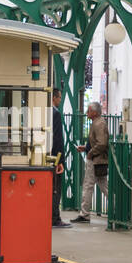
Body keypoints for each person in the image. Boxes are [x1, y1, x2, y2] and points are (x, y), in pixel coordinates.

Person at [72, 102, 109, 223]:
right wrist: (86, 147)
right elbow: (98, 142)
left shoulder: (98, 124)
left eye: (88, 111)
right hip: (97, 159)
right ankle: (117, 209)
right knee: (103, 185)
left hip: (95, 160)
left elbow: (102, 143)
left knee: (88, 186)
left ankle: (85, 214)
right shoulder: (98, 123)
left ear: (94, 112)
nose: (87, 113)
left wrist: (90, 152)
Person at [50, 89, 71, 228]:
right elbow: (58, 138)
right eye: (59, 97)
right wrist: (60, 160)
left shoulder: (41, 111)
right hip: (53, 157)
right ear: (54, 97)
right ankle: (55, 218)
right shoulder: (55, 113)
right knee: (56, 189)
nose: (60, 100)